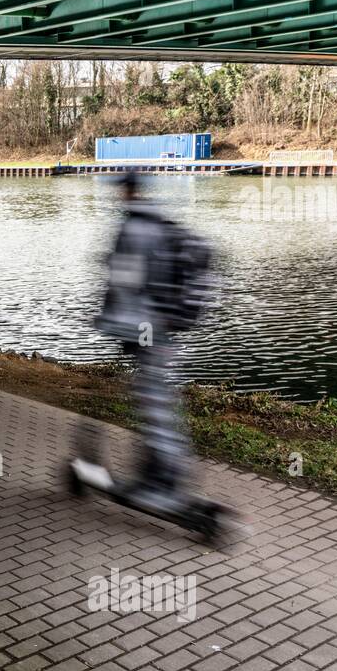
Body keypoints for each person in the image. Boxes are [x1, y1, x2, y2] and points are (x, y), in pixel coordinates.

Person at [92, 172, 215, 512]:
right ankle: (154, 473)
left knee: (155, 404)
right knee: (155, 400)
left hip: (147, 330)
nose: (118, 196)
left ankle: (166, 481)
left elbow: (125, 285)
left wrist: (109, 321)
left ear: (127, 191)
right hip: (163, 329)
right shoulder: (161, 222)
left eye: (121, 190)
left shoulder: (134, 229)